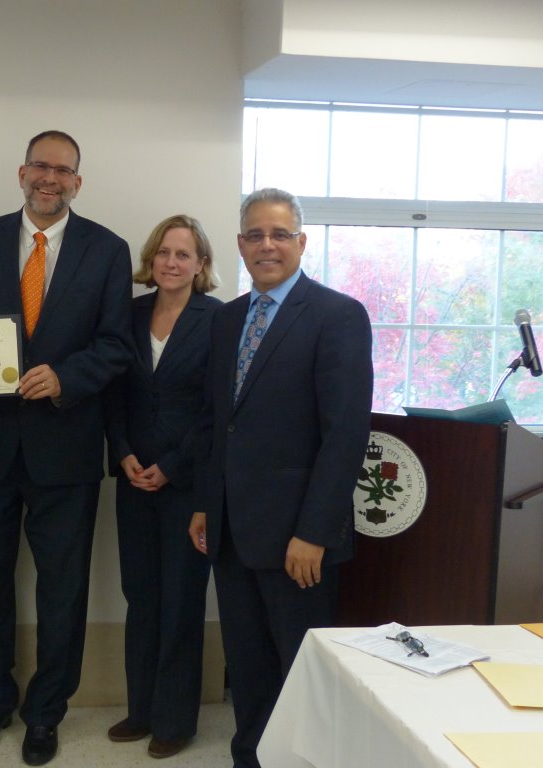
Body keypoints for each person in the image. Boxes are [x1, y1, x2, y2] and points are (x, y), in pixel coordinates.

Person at [0, 130, 133, 766]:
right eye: (40, 167)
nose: (50, 179)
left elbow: (117, 345)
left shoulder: (108, 250)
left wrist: (67, 378)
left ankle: (46, 712)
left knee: (63, 590)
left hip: (67, 447)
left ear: (78, 181)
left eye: (64, 170)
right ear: (21, 172)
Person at [189, 188, 373, 768]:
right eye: (254, 235)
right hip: (233, 531)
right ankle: (253, 756)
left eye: (278, 234)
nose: (266, 245)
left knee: (301, 669)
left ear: (301, 241)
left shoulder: (337, 316)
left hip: (299, 537)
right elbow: (219, 424)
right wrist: (204, 506)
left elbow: (344, 435)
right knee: (247, 666)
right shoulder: (227, 319)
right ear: (240, 244)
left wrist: (314, 532)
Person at [104, 215, 221, 760]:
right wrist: (123, 453)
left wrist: (172, 466)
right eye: (164, 253)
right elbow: (115, 395)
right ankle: (142, 709)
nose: (172, 262)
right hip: (133, 479)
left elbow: (215, 412)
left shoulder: (218, 320)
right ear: (151, 260)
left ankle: (175, 720)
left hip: (187, 484)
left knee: (180, 601)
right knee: (141, 596)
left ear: (201, 266)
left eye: (184, 254)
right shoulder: (127, 314)